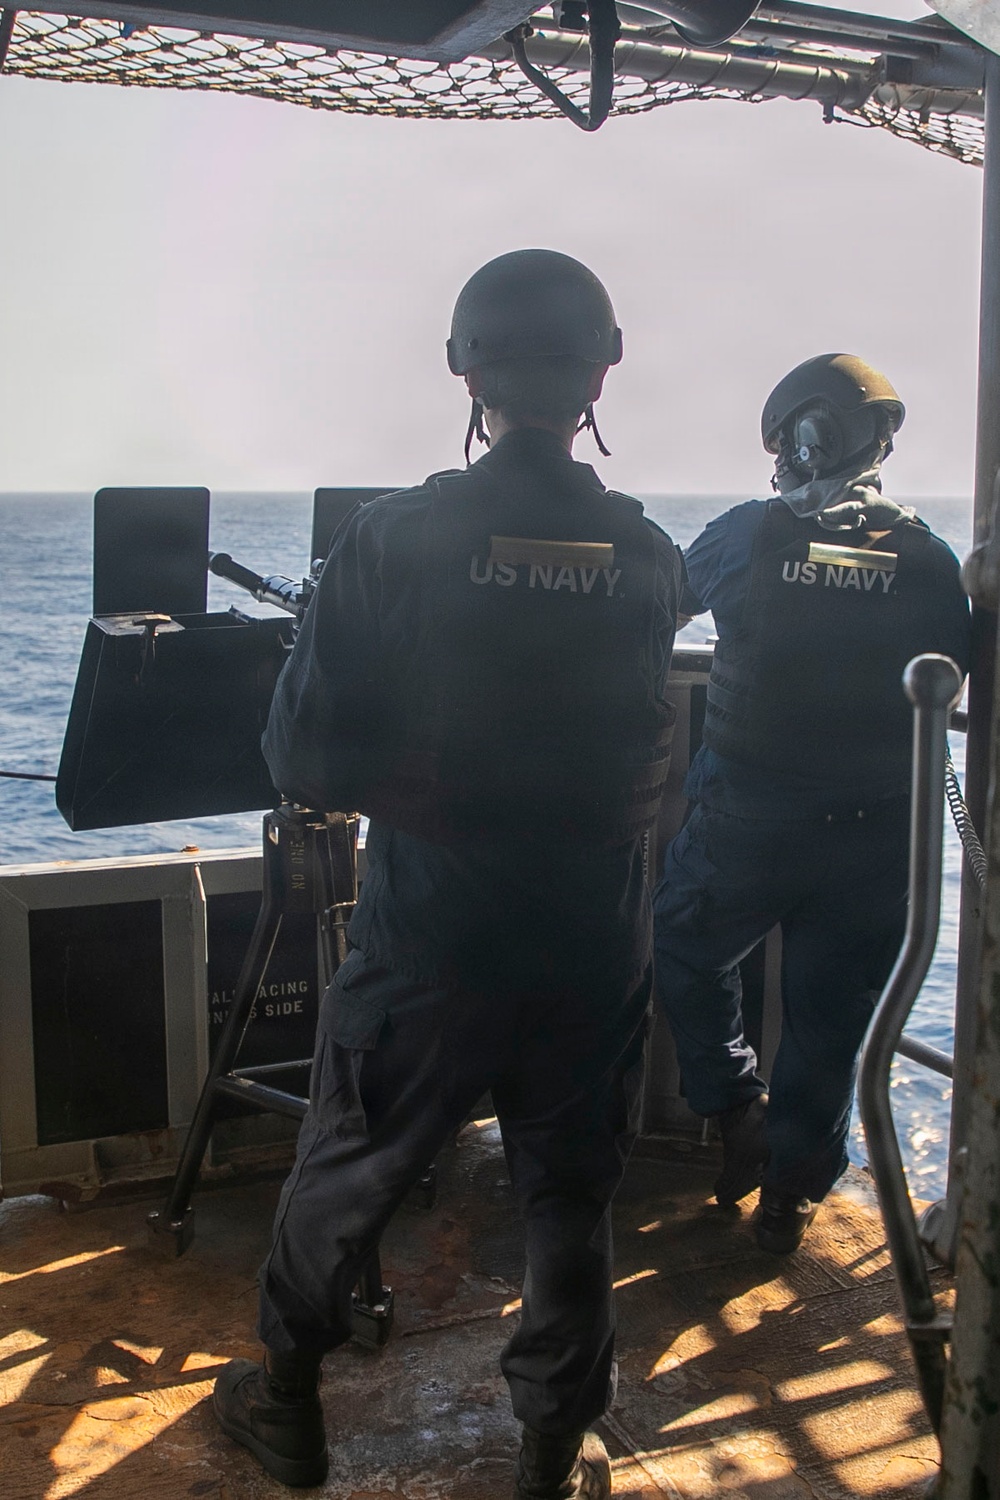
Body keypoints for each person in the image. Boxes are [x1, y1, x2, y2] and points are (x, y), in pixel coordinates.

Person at [212, 249, 683, 1495]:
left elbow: (303, 758)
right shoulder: (650, 554)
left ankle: (287, 1402)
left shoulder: (396, 537)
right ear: (600, 374)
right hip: (593, 940)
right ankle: (548, 1454)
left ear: (466, 373)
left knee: (353, 1162)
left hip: (436, 935)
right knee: (568, 1196)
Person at [652, 353, 971, 1255]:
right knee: (831, 1025)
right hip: (877, 840)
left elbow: (661, 608)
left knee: (683, 943)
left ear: (800, 439)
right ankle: (790, 1198)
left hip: (747, 823)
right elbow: (956, 669)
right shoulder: (928, 559)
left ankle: (733, 1107)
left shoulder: (747, 534)